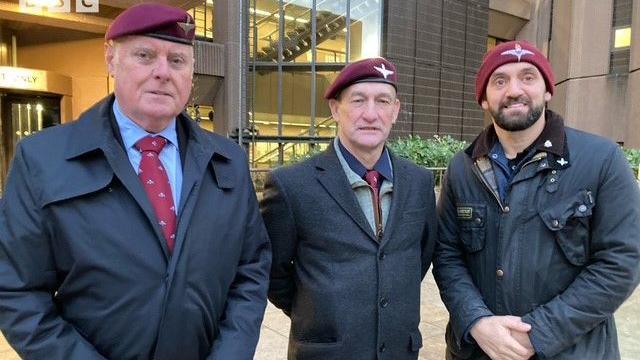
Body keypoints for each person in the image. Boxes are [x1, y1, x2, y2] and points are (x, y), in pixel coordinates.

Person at [0, 3, 270, 359]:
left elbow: (251, 269)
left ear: (191, 72)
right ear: (111, 60)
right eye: (145, 55)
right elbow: (16, 290)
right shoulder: (42, 160)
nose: (162, 72)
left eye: (177, 60)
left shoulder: (228, 161)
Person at [434, 40, 640, 360]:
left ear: (547, 90)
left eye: (528, 77)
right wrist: (476, 320)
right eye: (499, 81)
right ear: (484, 100)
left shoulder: (602, 160)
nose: (514, 90)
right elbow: (447, 255)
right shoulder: (462, 168)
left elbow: (622, 261)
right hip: (478, 351)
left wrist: (539, 334)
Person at [260, 57, 437, 359]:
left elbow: (418, 258)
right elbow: (272, 272)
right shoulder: (291, 185)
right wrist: (316, 311)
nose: (371, 114)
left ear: (395, 111)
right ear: (334, 109)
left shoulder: (419, 182)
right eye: (358, 100)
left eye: (382, 101)